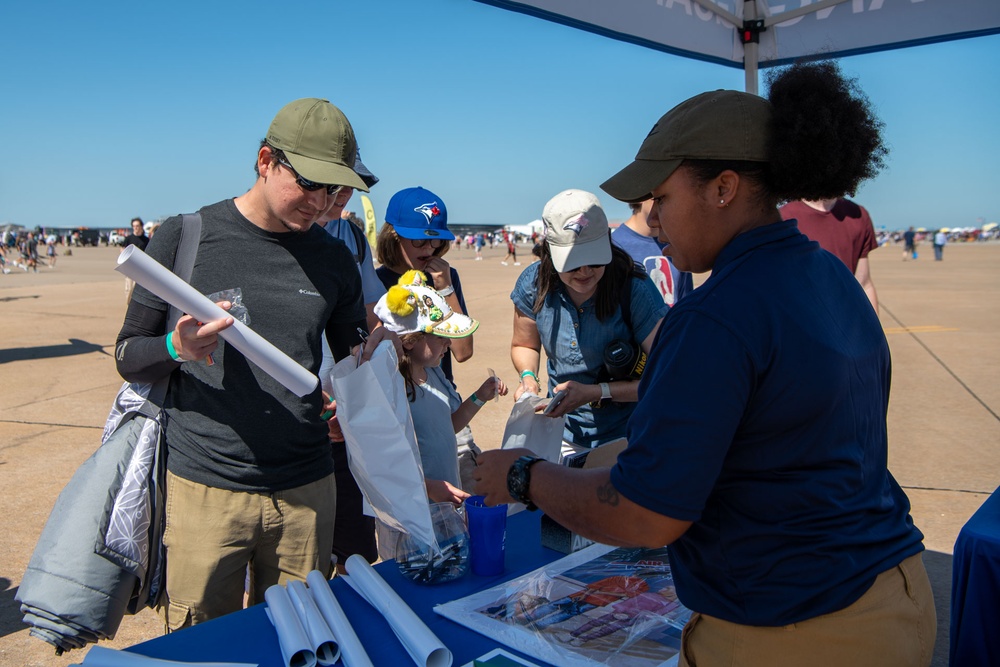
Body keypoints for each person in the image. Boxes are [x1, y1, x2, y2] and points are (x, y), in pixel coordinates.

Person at [475, 62, 934, 666]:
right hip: (896, 596)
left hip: (798, 631)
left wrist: (521, 477)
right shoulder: (830, 274)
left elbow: (646, 514)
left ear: (723, 189)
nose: (653, 220)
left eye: (663, 198)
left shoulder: (715, 315)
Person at [115, 97, 396, 631]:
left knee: (306, 640)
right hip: (206, 489)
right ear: (266, 160)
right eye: (310, 183)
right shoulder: (185, 236)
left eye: (335, 190)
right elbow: (129, 356)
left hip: (308, 490)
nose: (322, 202)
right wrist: (178, 349)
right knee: (206, 646)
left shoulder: (335, 256)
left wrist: (376, 359)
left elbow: (352, 358)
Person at [510, 189, 667, 457]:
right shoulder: (533, 284)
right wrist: (528, 377)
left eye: (594, 259)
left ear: (607, 241)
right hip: (560, 431)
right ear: (549, 251)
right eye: (572, 262)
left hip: (629, 433)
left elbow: (668, 375)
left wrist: (596, 392)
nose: (584, 271)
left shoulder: (634, 288)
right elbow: (524, 344)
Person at [372, 270, 506, 559]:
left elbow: (448, 426)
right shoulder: (391, 388)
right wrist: (428, 487)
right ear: (409, 340)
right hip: (408, 519)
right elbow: (380, 464)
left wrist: (479, 397)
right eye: (441, 335)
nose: (449, 343)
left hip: (443, 507)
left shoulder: (434, 374)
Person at [375, 187, 481, 491]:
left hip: (445, 405)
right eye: (419, 239)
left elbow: (462, 351)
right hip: (403, 413)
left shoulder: (446, 277)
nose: (430, 248)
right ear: (394, 236)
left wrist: (446, 288)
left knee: (467, 494)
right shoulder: (376, 283)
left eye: (437, 240)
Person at [314, 149, 384, 569]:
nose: (342, 197)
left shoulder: (352, 238)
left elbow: (369, 310)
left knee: (352, 545)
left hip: (343, 405)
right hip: (297, 412)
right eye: (333, 186)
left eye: (349, 188)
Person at [780, 198, 880, 312]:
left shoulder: (858, 215)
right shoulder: (782, 218)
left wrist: (875, 328)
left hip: (846, 321)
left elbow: (864, 284)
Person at [612, 199, 692, 307]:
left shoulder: (677, 244)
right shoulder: (614, 246)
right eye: (658, 198)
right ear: (639, 196)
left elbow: (685, 303)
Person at [121, 217, 149, 303]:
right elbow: (122, 248)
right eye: (134, 226)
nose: (135, 228)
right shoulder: (129, 239)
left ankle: (135, 305)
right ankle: (128, 304)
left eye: (137, 226)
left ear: (141, 226)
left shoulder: (146, 240)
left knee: (136, 287)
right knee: (129, 288)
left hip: (141, 267)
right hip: (130, 267)